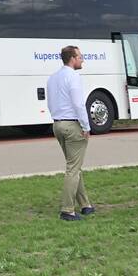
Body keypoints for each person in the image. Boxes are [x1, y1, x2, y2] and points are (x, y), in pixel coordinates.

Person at [45, 45, 94, 221]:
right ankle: (67, 210)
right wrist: (86, 126)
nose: (82, 60)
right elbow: (79, 104)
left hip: (57, 124)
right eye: (80, 56)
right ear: (72, 58)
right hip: (73, 125)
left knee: (74, 165)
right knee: (73, 168)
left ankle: (85, 205)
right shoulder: (73, 77)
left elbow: (50, 103)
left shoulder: (53, 78)